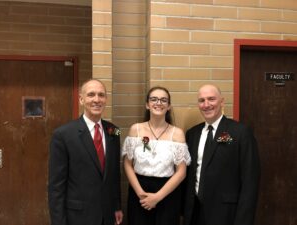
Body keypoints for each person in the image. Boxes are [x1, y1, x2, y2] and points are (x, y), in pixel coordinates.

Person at [48, 79, 123, 225]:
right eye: (91, 95)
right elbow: (56, 186)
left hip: (107, 215)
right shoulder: (63, 134)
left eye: (101, 95)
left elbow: (114, 175)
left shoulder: (114, 131)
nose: (97, 99)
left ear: (106, 99)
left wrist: (117, 207)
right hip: (78, 216)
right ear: (81, 100)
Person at [183, 84, 260, 225]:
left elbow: (250, 181)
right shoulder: (192, 134)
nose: (206, 104)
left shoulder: (240, 132)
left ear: (222, 101)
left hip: (227, 214)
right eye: (201, 100)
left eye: (211, 99)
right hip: (195, 213)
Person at [122, 86, 191, 225]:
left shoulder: (177, 133)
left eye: (163, 100)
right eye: (154, 99)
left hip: (168, 193)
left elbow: (181, 172)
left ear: (169, 106)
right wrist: (141, 194)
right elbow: (127, 164)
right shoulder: (136, 129)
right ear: (147, 104)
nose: (158, 103)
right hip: (139, 192)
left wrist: (157, 197)